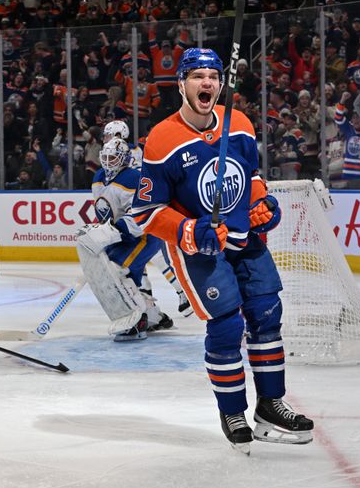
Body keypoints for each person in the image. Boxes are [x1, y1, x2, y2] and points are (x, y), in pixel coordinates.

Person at [130, 47, 314, 452]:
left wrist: (262, 202)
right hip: (198, 251)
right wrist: (190, 230)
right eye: (197, 76)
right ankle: (232, 410)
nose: (207, 82)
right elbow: (145, 211)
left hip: (244, 240)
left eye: (213, 75)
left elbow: (251, 177)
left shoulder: (241, 124)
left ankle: (270, 406)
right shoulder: (162, 138)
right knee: (228, 325)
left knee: (267, 313)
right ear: (182, 84)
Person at [76, 137, 173, 341]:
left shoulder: (133, 178)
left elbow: (139, 216)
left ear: (124, 159)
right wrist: (102, 230)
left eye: (114, 157)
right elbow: (104, 210)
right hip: (122, 237)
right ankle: (154, 317)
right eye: (106, 157)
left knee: (116, 272)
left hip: (144, 236)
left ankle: (136, 323)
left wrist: (111, 231)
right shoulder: (98, 178)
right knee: (126, 278)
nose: (109, 161)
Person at [102, 119, 192, 317]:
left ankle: (180, 294)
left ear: (118, 136)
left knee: (155, 256)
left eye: (109, 135)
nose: (106, 139)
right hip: (145, 204)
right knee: (145, 261)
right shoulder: (137, 149)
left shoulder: (127, 154)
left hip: (144, 208)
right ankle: (150, 298)